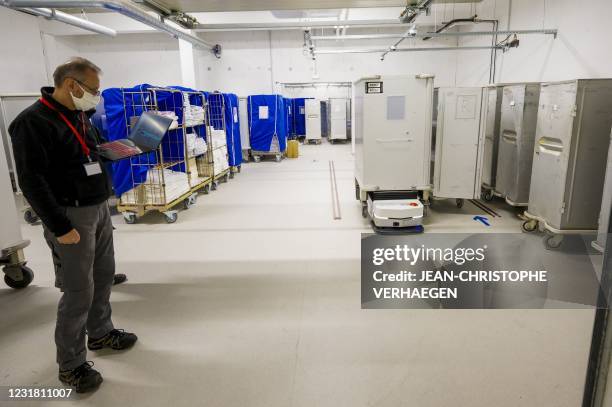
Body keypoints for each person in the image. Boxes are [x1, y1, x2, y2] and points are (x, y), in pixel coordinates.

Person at [9, 58, 137, 393]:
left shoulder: (80, 115)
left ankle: (100, 332)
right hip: (70, 215)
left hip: (97, 208)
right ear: (71, 84)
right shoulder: (32, 123)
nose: (96, 96)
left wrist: (119, 150)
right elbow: (31, 181)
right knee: (79, 291)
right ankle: (71, 365)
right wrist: (59, 225)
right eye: (93, 90)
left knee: (104, 275)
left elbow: (88, 153)